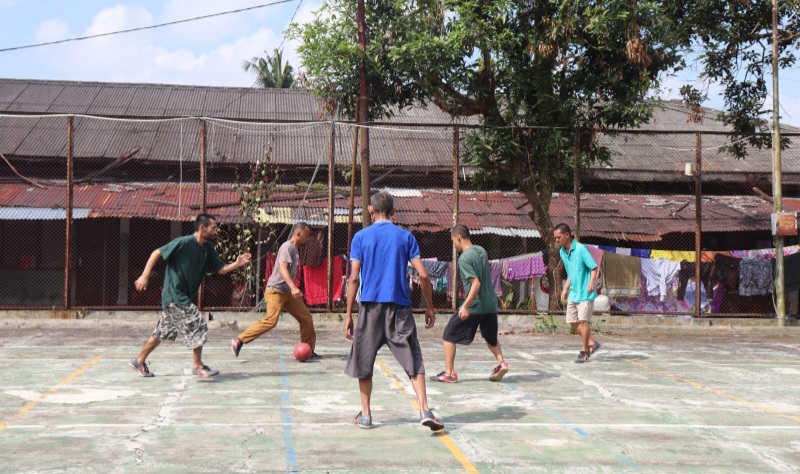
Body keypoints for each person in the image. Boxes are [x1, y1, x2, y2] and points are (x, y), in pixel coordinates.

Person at [344, 191, 444, 431]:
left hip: (369, 307)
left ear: (370, 210)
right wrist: (430, 306)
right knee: (413, 358)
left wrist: (348, 314)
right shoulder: (405, 237)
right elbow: (423, 274)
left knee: (363, 359)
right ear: (394, 212)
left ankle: (366, 415)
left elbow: (354, 278)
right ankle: (424, 409)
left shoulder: (360, 237)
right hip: (399, 306)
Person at [129, 213, 251, 377]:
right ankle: (197, 365)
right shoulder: (184, 242)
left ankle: (139, 359)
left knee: (162, 332)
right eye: (213, 228)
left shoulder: (207, 248)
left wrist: (237, 264)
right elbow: (156, 253)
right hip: (174, 295)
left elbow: (220, 269)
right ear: (202, 228)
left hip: (181, 296)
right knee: (198, 322)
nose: (216, 231)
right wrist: (145, 275)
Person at [431, 224, 508, 383]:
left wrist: (465, 306)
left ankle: (450, 373)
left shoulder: (464, 258)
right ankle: (501, 363)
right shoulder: (481, 250)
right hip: (491, 303)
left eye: (454, 241)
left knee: (448, 334)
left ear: (458, 237)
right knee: (489, 336)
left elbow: (476, 284)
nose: (454, 245)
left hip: (476, 304)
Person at [231, 222, 319, 358]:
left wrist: (292, 289)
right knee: (271, 320)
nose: (308, 238)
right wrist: (293, 287)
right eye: (307, 235)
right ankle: (239, 340)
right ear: (298, 234)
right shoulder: (287, 247)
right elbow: (282, 268)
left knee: (306, 317)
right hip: (275, 291)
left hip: (287, 293)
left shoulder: (295, 249)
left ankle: (308, 350)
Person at [553, 223, 602, 363]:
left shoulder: (581, 249)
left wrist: (592, 282)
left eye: (558, 237)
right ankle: (592, 342)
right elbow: (571, 272)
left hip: (585, 293)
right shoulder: (562, 252)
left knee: (583, 321)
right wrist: (565, 289)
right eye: (555, 238)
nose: (556, 240)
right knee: (572, 321)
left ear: (567, 235)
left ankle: (585, 350)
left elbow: (593, 267)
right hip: (574, 293)